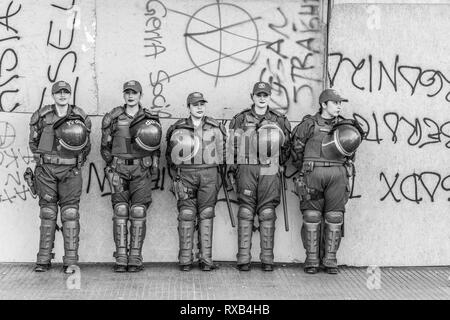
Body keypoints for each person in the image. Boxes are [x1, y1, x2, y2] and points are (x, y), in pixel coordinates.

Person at [291, 88, 364, 274]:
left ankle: (330, 260)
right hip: (312, 172)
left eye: (340, 103)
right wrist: (306, 166)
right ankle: (312, 260)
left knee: (334, 217)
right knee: (311, 217)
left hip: (337, 174)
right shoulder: (309, 124)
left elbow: (351, 153)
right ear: (324, 104)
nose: (339, 106)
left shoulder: (346, 126)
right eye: (335, 102)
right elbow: (296, 147)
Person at [29, 80, 91, 273]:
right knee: (47, 213)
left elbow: (86, 145)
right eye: (58, 92)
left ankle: (70, 260)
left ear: (70, 94)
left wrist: (71, 161)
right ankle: (43, 259)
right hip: (46, 170)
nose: (62, 95)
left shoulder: (80, 116)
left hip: (70, 171)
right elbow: (33, 142)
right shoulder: (42, 116)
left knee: (70, 213)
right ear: (53, 95)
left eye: (66, 92)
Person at [228, 81, 291, 272]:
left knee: (267, 213)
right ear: (252, 97)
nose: (262, 98)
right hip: (246, 168)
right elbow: (231, 146)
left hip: (269, 170)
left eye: (265, 95)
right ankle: (243, 259)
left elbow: (286, 147)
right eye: (258, 95)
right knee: (245, 211)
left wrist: (279, 164)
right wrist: (232, 169)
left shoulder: (279, 120)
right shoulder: (240, 119)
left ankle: (267, 259)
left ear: (269, 97)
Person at [100, 80, 162, 272]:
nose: (130, 95)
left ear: (140, 95)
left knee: (138, 211)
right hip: (119, 170)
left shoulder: (149, 118)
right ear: (123, 95)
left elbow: (156, 147)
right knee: (120, 210)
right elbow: (105, 147)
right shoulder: (114, 117)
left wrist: (153, 168)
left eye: (134, 92)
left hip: (140, 171)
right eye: (127, 92)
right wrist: (113, 165)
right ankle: (120, 257)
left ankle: (134, 257)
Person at [165, 92, 227, 271]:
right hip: (186, 174)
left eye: (202, 104)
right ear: (188, 107)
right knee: (186, 214)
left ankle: (206, 260)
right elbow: (169, 155)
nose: (199, 107)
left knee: (206, 214)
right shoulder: (178, 128)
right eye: (195, 105)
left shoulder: (215, 127)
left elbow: (224, 154)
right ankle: (185, 259)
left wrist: (220, 176)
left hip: (209, 174)